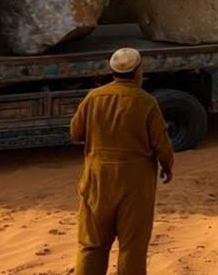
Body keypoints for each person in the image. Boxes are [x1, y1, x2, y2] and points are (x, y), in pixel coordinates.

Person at [69, 48, 175, 275]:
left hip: (97, 180)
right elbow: (162, 144)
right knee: (132, 247)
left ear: (113, 71)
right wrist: (167, 166)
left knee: (91, 244)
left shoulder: (93, 98)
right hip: (135, 184)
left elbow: (76, 133)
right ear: (138, 72)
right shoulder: (146, 102)